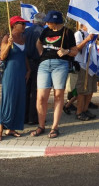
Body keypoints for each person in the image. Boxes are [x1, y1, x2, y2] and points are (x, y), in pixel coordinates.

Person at [32, 10, 77, 139]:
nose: (46, 23)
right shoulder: (45, 31)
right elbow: (38, 43)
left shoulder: (68, 32)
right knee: (41, 97)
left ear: (55, 22)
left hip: (60, 65)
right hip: (44, 65)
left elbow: (75, 51)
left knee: (58, 95)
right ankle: (41, 126)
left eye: (48, 21)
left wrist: (66, 51)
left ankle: (54, 127)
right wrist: (42, 54)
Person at [0, 16, 29, 140]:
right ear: (14, 25)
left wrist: (28, 69)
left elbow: (24, 55)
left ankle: (11, 128)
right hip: (11, 72)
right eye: (22, 24)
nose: (24, 26)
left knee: (19, 99)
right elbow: (2, 56)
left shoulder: (23, 38)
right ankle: (0, 129)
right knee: (8, 99)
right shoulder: (6, 37)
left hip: (21, 71)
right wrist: (9, 44)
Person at [22, 11, 45, 124]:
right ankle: (34, 117)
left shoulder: (25, 31)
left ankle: (24, 116)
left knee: (26, 91)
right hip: (38, 63)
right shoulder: (44, 32)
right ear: (44, 22)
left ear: (33, 21)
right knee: (36, 91)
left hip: (25, 63)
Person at [73, 23, 99, 121]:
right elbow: (76, 48)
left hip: (91, 64)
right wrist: (87, 40)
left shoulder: (92, 34)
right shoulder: (78, 34)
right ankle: (79, 112)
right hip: (82, 64)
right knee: (82, 90)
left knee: (90, 89)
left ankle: (85, 109)